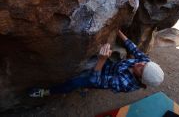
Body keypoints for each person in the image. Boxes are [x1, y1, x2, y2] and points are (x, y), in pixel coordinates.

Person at [29, 30, 164, 97]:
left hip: (107, 76)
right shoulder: (146, 63)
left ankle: (46, 92)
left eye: (141, 70)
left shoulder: (125, 84)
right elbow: (134, 48)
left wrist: (101, 60)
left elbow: (95, 80)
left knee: (76, 82)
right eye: (143, 64)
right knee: (99, 61)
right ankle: (87, 85)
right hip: (112, 68)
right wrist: (118, 31)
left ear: (141, 79)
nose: (139, 64)